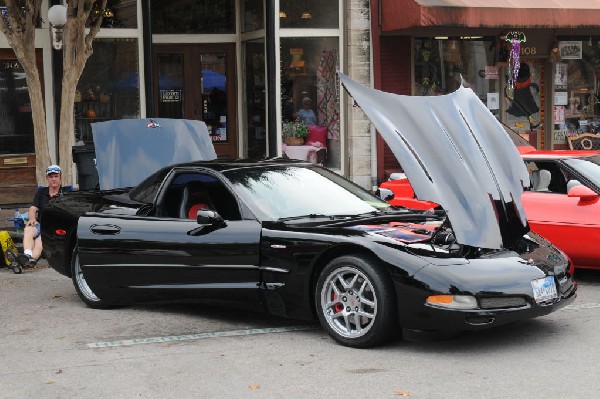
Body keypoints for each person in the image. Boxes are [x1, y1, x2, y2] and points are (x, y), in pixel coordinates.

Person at [19, 164, 65, 267]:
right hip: (40, 224)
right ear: (47, 178)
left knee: (40, 241)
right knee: (28, 229)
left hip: (54, 229)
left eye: (56, 176)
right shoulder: (41, 192)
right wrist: (31, 219)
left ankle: (26, 262)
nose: (53, 179)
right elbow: (32, 209)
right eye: (51, 176)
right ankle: (27, 255)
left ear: (60, 177)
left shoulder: (65, 193)